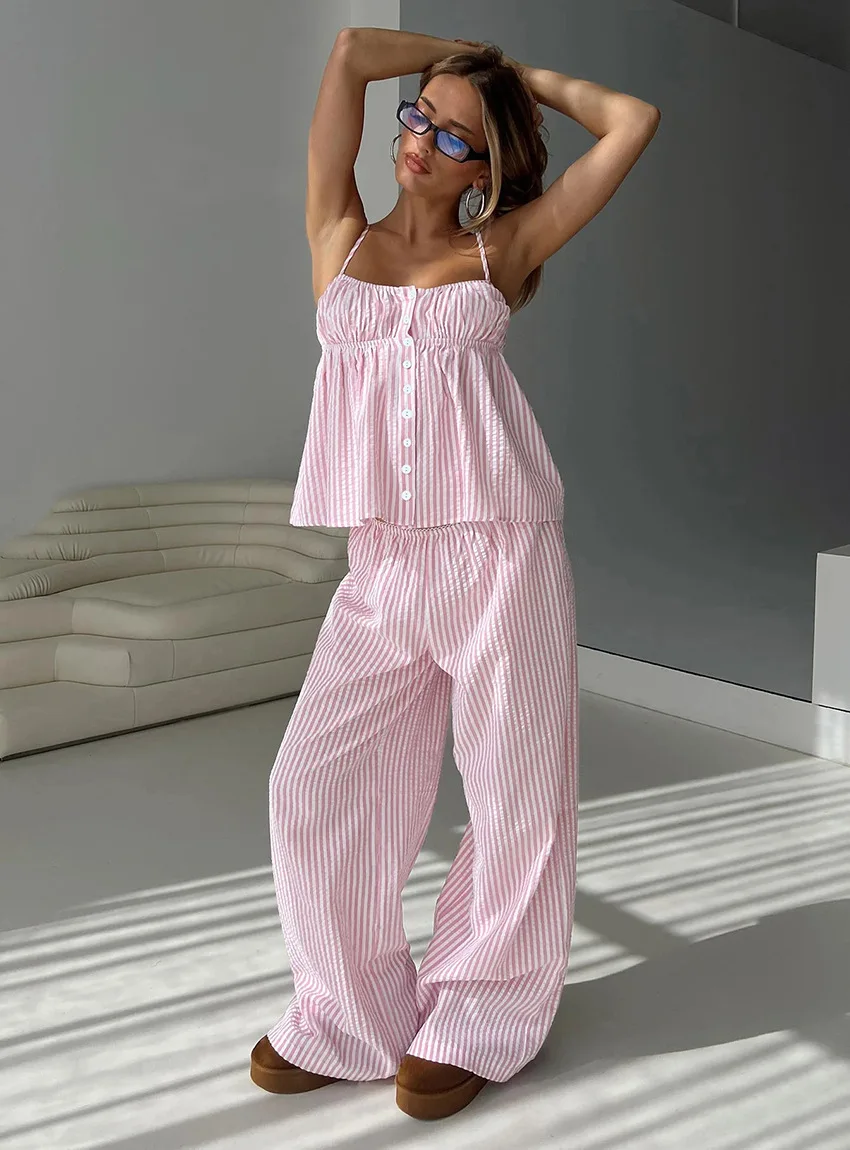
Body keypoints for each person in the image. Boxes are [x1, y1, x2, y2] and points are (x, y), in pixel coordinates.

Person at [250, 27, 660, 1121]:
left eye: (451, 136)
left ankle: (481, 1010)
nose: (418, 142)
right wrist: (466, 56)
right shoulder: (337, 235)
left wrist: (520, 81)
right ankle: (348, 1010)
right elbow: (348, 54)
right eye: (417, 118)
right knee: (313, 783)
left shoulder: (504, 249)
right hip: (383, 562)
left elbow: (632, 122)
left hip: (501, 554)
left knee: (515, 793)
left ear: (487, 166)